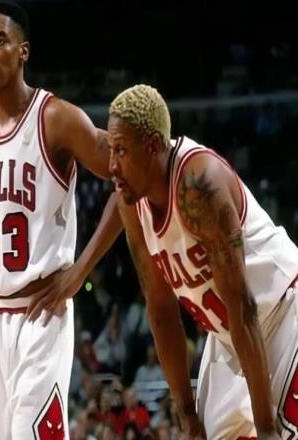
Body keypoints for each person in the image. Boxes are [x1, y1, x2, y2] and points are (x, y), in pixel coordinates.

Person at [0, 2, 121, 438]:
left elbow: (128, 173)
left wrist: (81, 271)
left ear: (24, 51)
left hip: (41, 314)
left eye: (1, 41)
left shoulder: (56, 118)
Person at [106, 84, 298, 439]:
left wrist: (265, 427)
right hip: (229, 338)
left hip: (283, 313)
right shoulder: (131, 202)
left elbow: (243, 307)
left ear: (152, 146)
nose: (111, 166)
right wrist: (187, 417)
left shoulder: (198, 185)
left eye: (121, 150)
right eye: (110, 150)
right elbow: (161, 312)